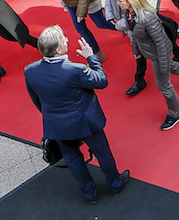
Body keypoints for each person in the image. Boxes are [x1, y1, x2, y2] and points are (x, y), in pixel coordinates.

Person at [24, 25, 129, 204]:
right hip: (85, 122)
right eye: (63, 38)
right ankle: (115, 183)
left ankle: (90, 192)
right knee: (102, 153)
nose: (67, 39)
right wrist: (91, 58)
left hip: (56, 125)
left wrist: (52, 116)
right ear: (57, 50)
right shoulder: (76, 70)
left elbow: (37, 101)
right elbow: (102, 81)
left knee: (73, 159)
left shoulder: (30, 70)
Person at [114, 0, 179, 130]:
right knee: (173, 67)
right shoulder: (131, 13)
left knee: (164, 84)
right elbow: (136, 35)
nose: (118, 4)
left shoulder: (147, 17)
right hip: (151, 52)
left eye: (120, 0)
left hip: (159, 53)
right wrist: (137, 51)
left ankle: (175, 114)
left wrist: (163, 63)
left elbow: (161, 42)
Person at [101, 0, 179, 97]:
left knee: (141, 48)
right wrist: (110, 15)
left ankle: (140, 78)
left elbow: (133, 12)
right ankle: (177, 52)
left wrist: (121, 24)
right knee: (144, 45)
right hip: (130, 21)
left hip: (135, 21)